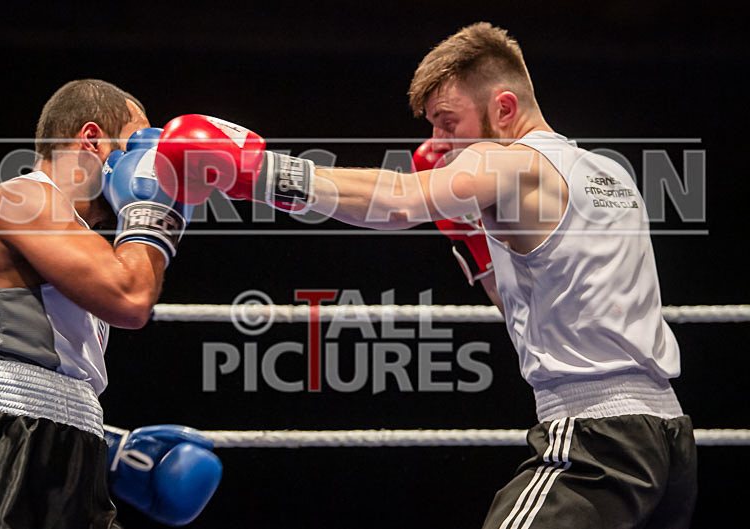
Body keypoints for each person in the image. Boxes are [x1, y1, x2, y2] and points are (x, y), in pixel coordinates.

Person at [153, 20, 697, 529]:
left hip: (594, 441)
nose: (437, 144)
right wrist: (477, 247)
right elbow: (538, 309)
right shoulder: (608, 172)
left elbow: (397, 201)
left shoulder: (511, 161)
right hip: (668, 440)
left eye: (448, 122)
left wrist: (259, 172)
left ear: (504, 108)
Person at [0, 79, 219, 528]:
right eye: (135, 146)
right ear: (92, 140)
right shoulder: (22, 198)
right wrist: (153, 214)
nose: (149, 164)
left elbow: (57, 364)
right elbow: (130, 298)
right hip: (1, 443)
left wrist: (108, 445)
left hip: (66, 443)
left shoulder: (81, 240)